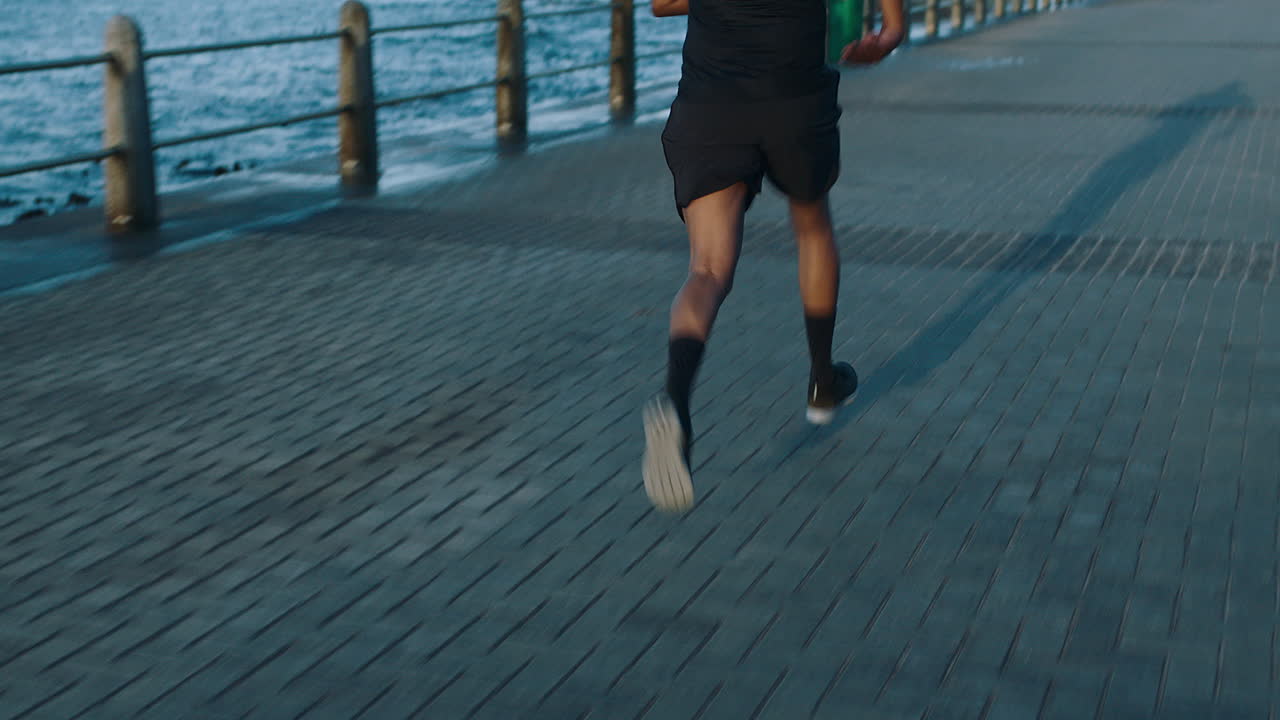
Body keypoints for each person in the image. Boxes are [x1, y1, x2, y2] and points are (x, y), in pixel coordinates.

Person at [643, 0, 906, 513]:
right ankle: (822, 381)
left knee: (708, 269)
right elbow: (884, 29)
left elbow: (661, 3)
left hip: (712, 102)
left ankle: (675, 395)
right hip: (794, 97)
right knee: (812, 229)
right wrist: (890, 32)